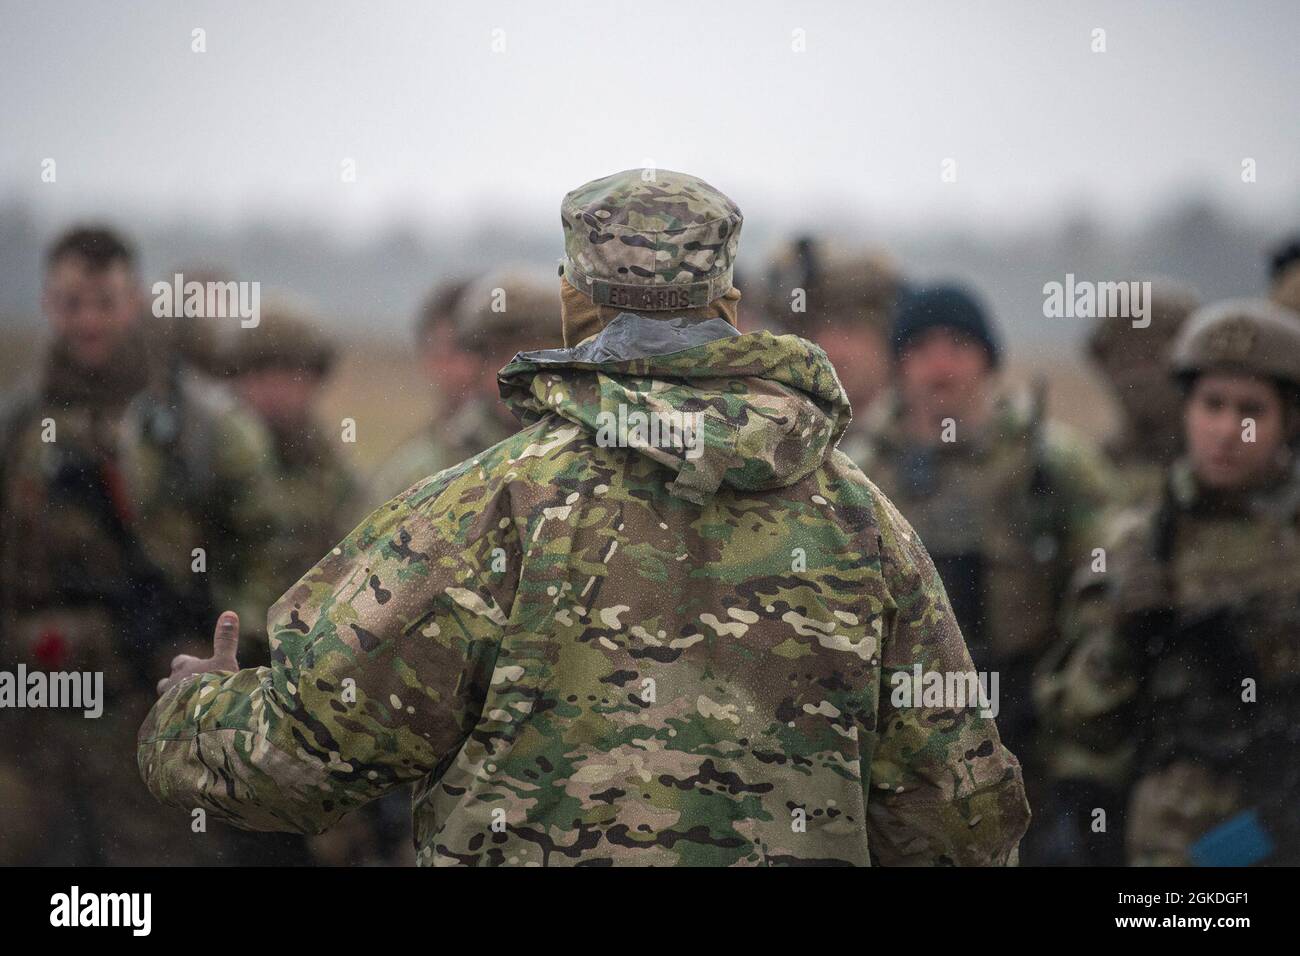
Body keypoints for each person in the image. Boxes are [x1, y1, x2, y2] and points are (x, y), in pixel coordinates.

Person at [138, 169, 1029, 866]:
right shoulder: (866, 521)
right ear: (725, 302)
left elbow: (301, 759)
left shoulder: (487, 505)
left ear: (576, 301)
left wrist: (191, 712)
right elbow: (963, 819)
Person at [0, 226, 282, 864]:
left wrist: (225, 650)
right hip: (29, 710)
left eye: (106, 302)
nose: (89, 321)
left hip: (153, 699)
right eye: (73, 304)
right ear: (48, 303)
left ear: (136, 302)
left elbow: (267, 552)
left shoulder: (206, 428)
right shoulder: (18, 423)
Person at [850, 283, 1114, 863]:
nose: (940, 365)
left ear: (989, 358)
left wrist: (1073, 699)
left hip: (1026, 726)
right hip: (898, 734)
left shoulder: (1049, 462)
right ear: (899, 364)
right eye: (920, 348)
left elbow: (1105, 585)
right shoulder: (859, 471)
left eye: (958, 345)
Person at [1039, 299, 1300, 866]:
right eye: (1212, 405)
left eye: (1251, 409)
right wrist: (1124, 640)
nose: (1228, 429)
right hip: (1177, 842)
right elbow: (1079, 724)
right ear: (1185, 409)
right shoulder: (1137, 542)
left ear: (1288, 420)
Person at [221, 295, 362, 595]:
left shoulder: (333, 472)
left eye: (289, 374)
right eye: (259, 374)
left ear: (315, 380)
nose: (274, 391)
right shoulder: (213, 458)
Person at [764, 237, 900, 463]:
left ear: (885, 342)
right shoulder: (791, 434)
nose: (834, 351)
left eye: (851, 330)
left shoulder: (917, 434)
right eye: (821, 331)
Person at [1086, 279, 1200, 506]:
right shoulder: (1093, 468)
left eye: (1151, 359)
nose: (1137, 379)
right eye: (1125, 362)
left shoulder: (1219, 462)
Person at [365, 278, 477, 503]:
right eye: (450, 354)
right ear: (427, 360)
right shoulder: (406, 477)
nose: (466, 370)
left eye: (477, 351)